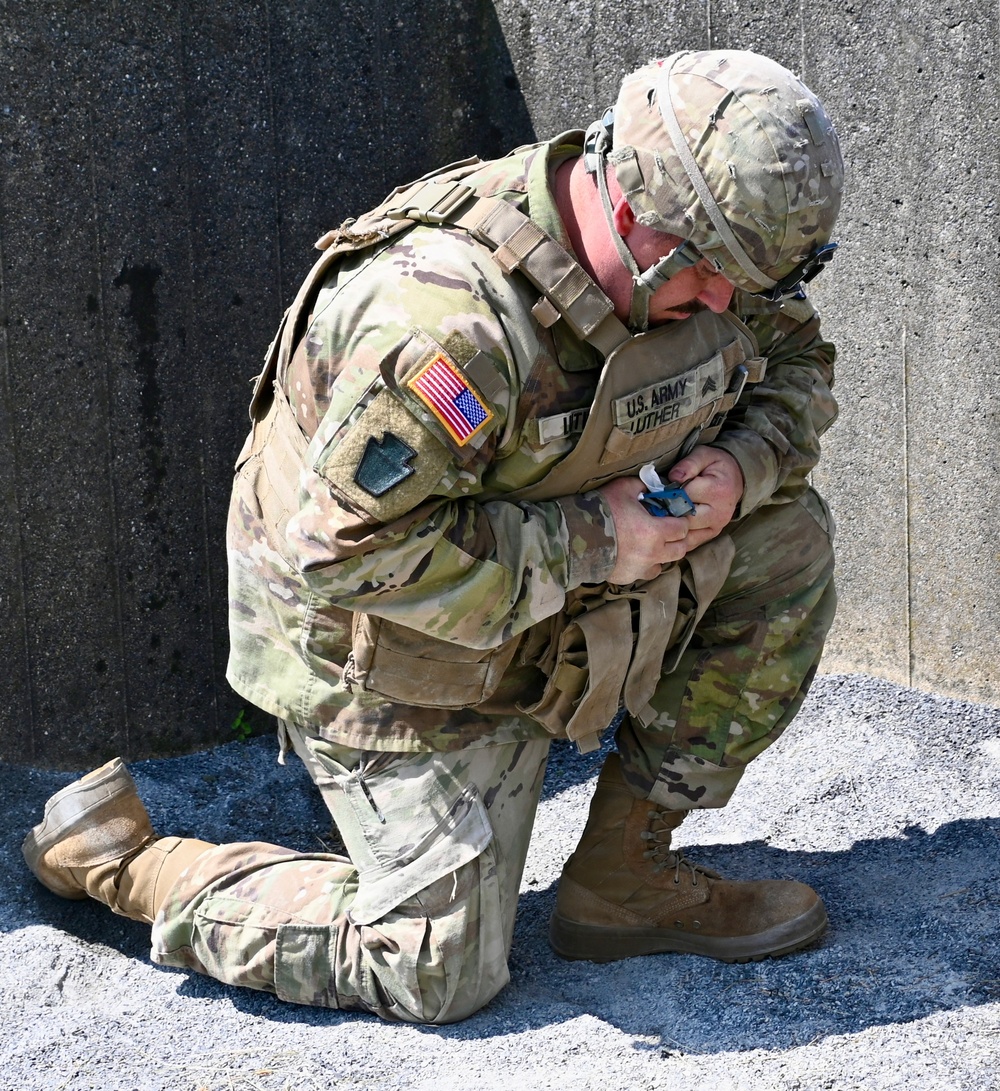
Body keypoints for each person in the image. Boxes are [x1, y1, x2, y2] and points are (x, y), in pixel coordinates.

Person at [24, 49, 844, 1024]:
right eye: (708, 277)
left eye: (743, 280)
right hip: (381, 635)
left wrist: (743, 464)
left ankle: (624, 876)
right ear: (632, 213)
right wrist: (595, 541)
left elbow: (795, 361)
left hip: (547, 562)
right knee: (437, 967)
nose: (723, 304)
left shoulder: (713, 243)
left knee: (782, 536)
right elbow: (346, 553)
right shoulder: (443, 325)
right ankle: (126, 861)